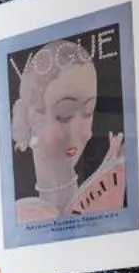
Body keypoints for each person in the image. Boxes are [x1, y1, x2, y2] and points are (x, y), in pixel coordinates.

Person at [8, 39, 127, 223]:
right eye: (64, 114)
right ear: (32, 118)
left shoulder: (111, 188)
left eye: (88, 112)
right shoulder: (15, 215)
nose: (80, 133)